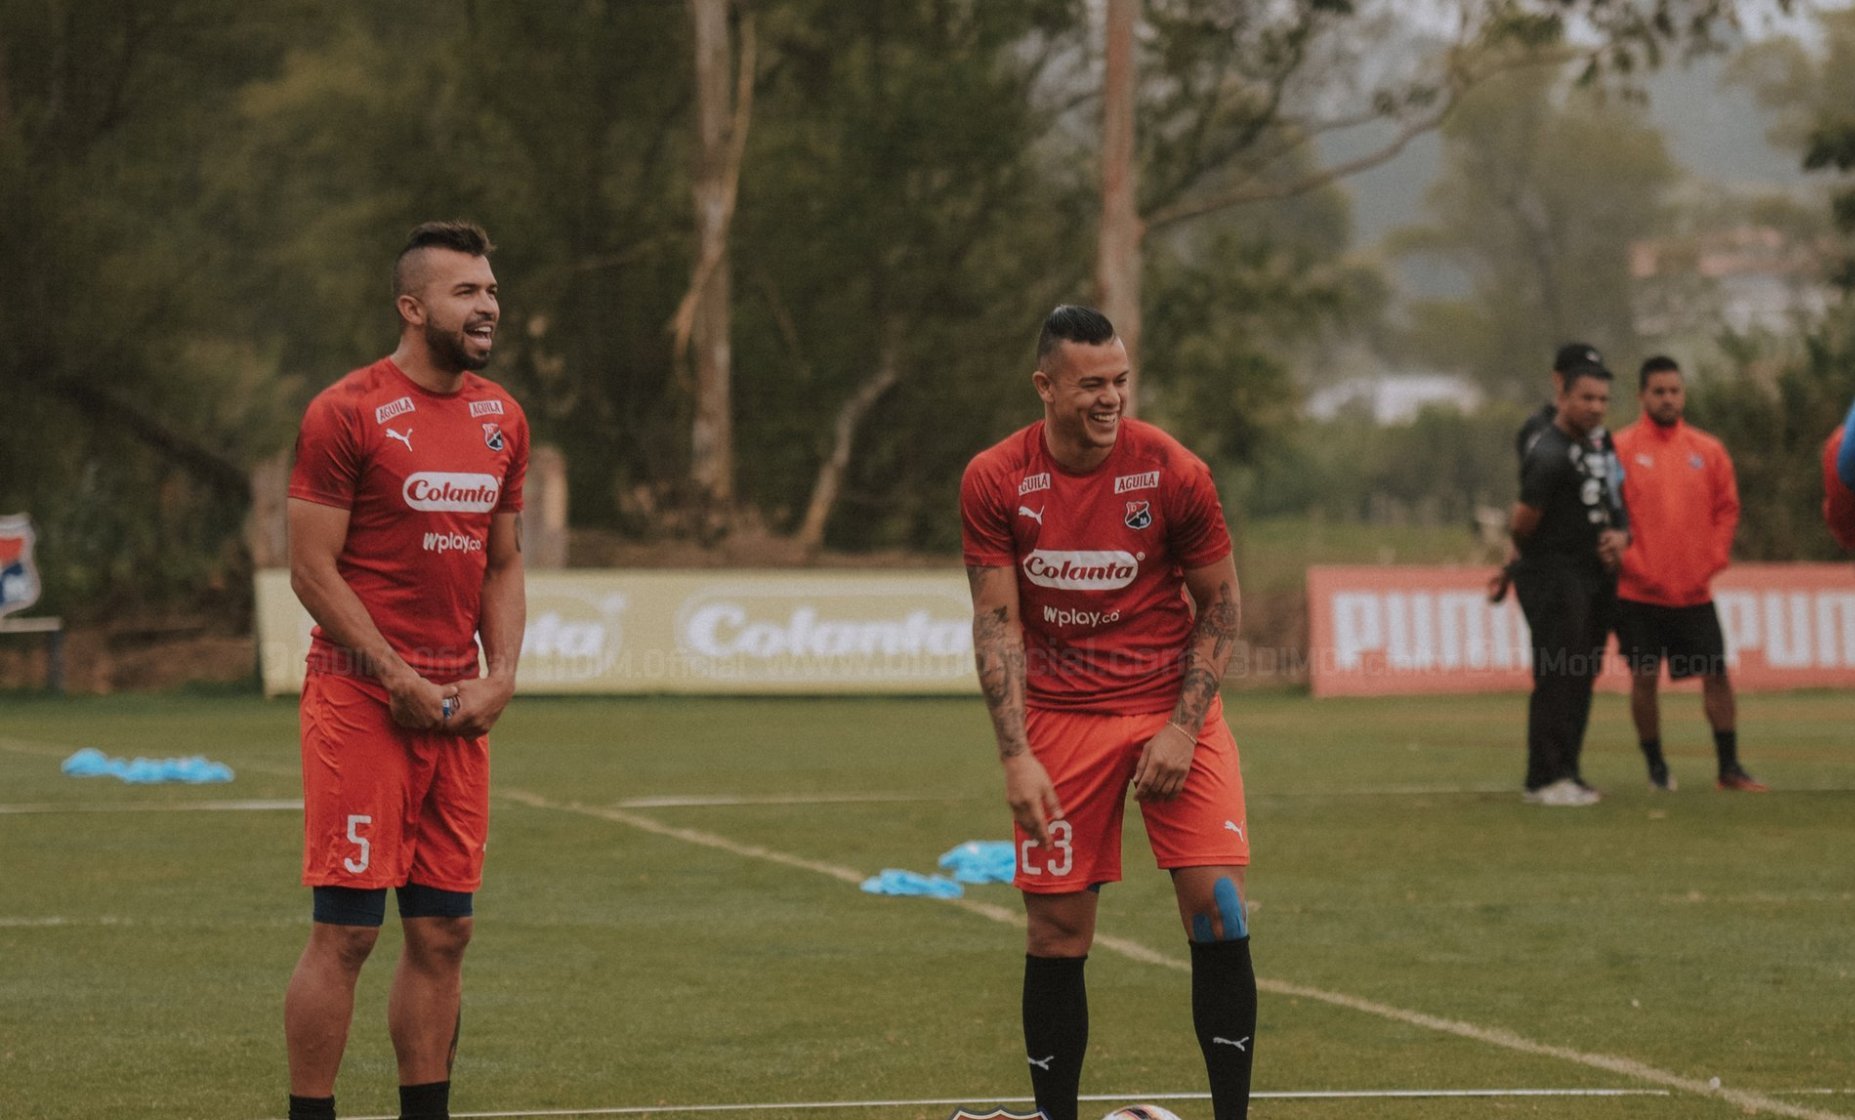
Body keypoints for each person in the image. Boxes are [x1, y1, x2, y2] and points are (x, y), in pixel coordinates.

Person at [960, 306, 1255, 1120]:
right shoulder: (994, 477)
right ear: (1045, 386)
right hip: (1058, 719)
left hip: (1170, 705)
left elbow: (1222, 604)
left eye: (1119, 382)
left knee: (1219, 912)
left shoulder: (1171, 469)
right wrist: (1015, 755)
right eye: (1091, 384)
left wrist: (1181, 727)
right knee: (1057, 934)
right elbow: (996, 623)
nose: (1109, 399)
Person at [283, 221, 528, 1120]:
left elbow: (501, 562)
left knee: (445, 930)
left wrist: (499, 675)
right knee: (346, 936)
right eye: (468, 292)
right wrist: (395, 678)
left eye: (493, 291)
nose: (489, 306)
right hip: (360, 700)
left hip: (456, 704)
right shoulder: (343, 411)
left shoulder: (502, 417)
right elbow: (312, 570)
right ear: (411, 306)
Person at [1613, 356, 1765, 792]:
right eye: (1658, 391)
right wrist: (1637, 565)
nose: (1667, 399)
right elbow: (1610, 514)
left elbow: (1727, 508)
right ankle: (1657, 767)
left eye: (1674, 391)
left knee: (1716, 674)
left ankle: (1729, 767)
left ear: (1683, 394)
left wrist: (1711, 560)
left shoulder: (1708, 451)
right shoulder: (1620, 449)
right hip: (1639, 593)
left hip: (1693, 591)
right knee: (1644, 678)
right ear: (1641, 395)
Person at [1508, 357, 1630, 806]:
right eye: (1586, 398)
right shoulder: (1549, 452)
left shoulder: (1597, 446)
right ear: (1563, 397)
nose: (1596, 407)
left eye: (1602, 399)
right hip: (1554, 575)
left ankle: (1569, 771)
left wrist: (1621, 536)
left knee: (1580, 673)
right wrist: (1540, 558)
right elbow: (1522, 521)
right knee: (1557, 672)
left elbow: (1617, 502)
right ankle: (1543, 778)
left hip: (1592, 576)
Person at [1491, 342, 1618, 604]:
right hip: (1554, 570)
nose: (1594, 402)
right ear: (1559, 381)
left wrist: (1619, 535)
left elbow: (1612, 492)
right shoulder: (1541, 432)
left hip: (1596, 569)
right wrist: (1512, 562)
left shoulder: (1599, 435)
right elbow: (1531, 503)